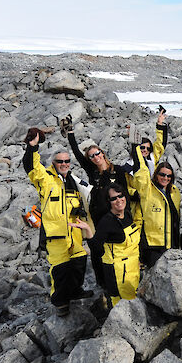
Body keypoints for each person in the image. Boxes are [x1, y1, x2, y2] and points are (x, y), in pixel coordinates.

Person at [66, 115, 159, 289]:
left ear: (103, 153)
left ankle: (129, 276)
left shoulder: (117, 169)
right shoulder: (92, 171)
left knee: (123, 244)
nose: (95, 157)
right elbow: (77, 154)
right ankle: (103, 282)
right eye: (92, 156)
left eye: (97, 153)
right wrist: (70, 133)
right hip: (98, 216)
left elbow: (125, 191)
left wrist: (136, 198)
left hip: (118, 214)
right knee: (98, 249)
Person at [24, 128, 92, 317]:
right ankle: (60, 302)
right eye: (60, 161)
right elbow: (31, 167)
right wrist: (32, 147)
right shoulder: (45, 179)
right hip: (56, 235)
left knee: (79, 261)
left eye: (67, 161)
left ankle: (75, 290)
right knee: (60, 269)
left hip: (75, 233)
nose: (64, 164)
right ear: (53, 163)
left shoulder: (73, 182)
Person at [73, 184, 141, 307]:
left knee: (134, 301)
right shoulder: (106, 222)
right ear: (108, 202)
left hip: (133, 269)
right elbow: (95, 248)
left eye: (121, 196)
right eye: (113, 198)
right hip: (117, 273)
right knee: (121, 305)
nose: (119, 200)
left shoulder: (127, 214)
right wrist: (88, 230)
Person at [131, 160, 181, 267]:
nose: (165, 178)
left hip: (171, 243)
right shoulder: (148, 190)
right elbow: (140, 174)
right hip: (152, 244)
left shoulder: (174, 191)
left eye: (169, 176)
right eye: (162, 174)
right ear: (156, 174)